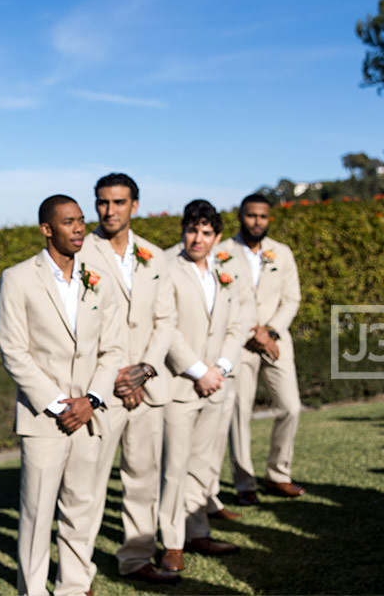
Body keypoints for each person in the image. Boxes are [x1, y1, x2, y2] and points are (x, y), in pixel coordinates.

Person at [0, 195, 126, 596]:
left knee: (82, 510)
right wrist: (58, 404)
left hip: (90, 415)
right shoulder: (18, 278)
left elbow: (115, 350)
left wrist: (91, 400)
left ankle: (73, 587)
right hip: (43, 421)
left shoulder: (99, 279)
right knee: (36, 517)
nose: (78, 229)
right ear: (46, 229)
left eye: (81, 221)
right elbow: (13, 352)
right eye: (68, 222)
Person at [82, 174, 180, 585]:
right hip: (101, 387)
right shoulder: (80, 250)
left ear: (134, 205)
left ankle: (137, 558)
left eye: (118, 202)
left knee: (142, 478)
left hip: (146, 384)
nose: (109, 210)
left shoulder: (155, 256)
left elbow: (166, 320)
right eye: (103, 202)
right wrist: (113, 378)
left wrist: (144, 370)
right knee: (89, 486)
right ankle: (77, 576)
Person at [158, 200, 248, 573]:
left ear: (217, 236)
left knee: (203, 464)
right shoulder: (164, 266)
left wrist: (221, 367)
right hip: (181, 384)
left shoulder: (225, 268)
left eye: (206, 232)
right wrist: (198, 371)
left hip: (218, 382)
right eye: (192, 230)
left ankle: (198, 532)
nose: (198, 238)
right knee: (174, 468)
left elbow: (238, 322)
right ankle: (172, 543)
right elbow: (165, 325)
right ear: (183, 230)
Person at [219, 194, 305, 504]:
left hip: (276, 343)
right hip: (238, 345)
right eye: (251, 216)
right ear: (241, 216)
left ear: (269, 219)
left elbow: (291, 299)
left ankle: (278, 475)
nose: (257, 222)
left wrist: (269, 331)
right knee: (239, 413)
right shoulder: (222, 252)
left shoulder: (281, 253)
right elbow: (219, 300)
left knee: (291, 407)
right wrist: (248, 332)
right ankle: (245, 485)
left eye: (263, 217)